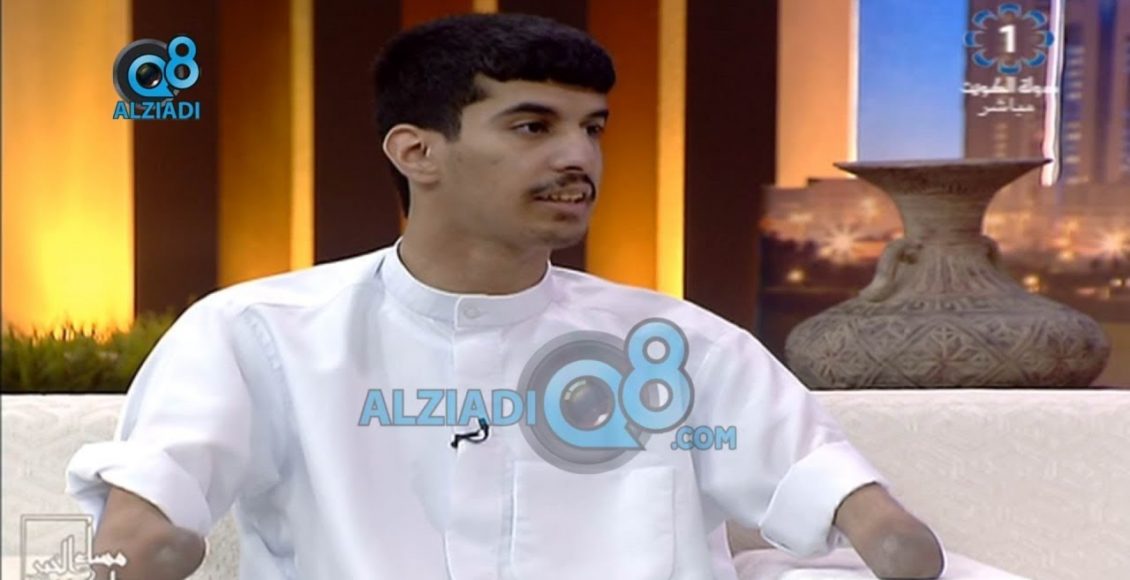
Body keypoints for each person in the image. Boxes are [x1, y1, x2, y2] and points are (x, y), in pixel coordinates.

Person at [66, 13, 945, 580]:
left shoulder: (678, 347)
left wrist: (881, 543)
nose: (579, 158)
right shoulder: (256, 334)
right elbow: (142, 533)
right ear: (416, 152)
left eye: (592, 128)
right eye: (533, 126)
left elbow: (887, 535)